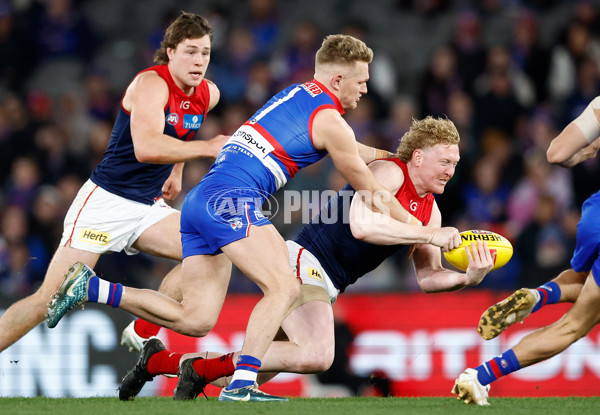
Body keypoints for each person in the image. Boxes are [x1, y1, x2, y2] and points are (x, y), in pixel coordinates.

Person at [46, 36, 464, 402]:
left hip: (203, 197)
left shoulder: (301, 96)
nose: (366, 88)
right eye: (361, 80)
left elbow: (353, 148)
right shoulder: (332, 119)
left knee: (197, 319)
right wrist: (428, 231)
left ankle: (95, 289)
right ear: (339, 80)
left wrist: (388, 157)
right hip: (232, 198)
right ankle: (241, 384)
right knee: (281, 286)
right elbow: (368, 189)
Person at [115, 116, 496, 401]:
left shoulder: (432, 213)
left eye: (456, 163)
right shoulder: (388, 173)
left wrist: (468, 278)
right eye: (445, 161)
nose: (451, 170)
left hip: (324, 283)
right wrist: (429, 235)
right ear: (417, 157)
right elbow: (364, 226)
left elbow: (428, 277)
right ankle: (182, 362)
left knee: (233, 378)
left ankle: (160, 363)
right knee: (317, 354)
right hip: (302, 262)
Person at [0, 12, 227, 354]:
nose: (199, 61)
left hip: (146, 207)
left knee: (212, 245)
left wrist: (177, 170)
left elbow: (186, 126)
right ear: (170, 52)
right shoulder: (150, 84)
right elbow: (147, 147)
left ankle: (145, 327)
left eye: (205, 53)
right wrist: (207, 148)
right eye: (190, 51)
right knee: (45, 300)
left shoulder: (207, 93)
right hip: (105, 203)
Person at [452, 96, 600, 406]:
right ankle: (480, 376)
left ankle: (539, 295)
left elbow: (556, 153)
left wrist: (591, 149)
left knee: (587, 280)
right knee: (573, 325)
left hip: (595, 215)